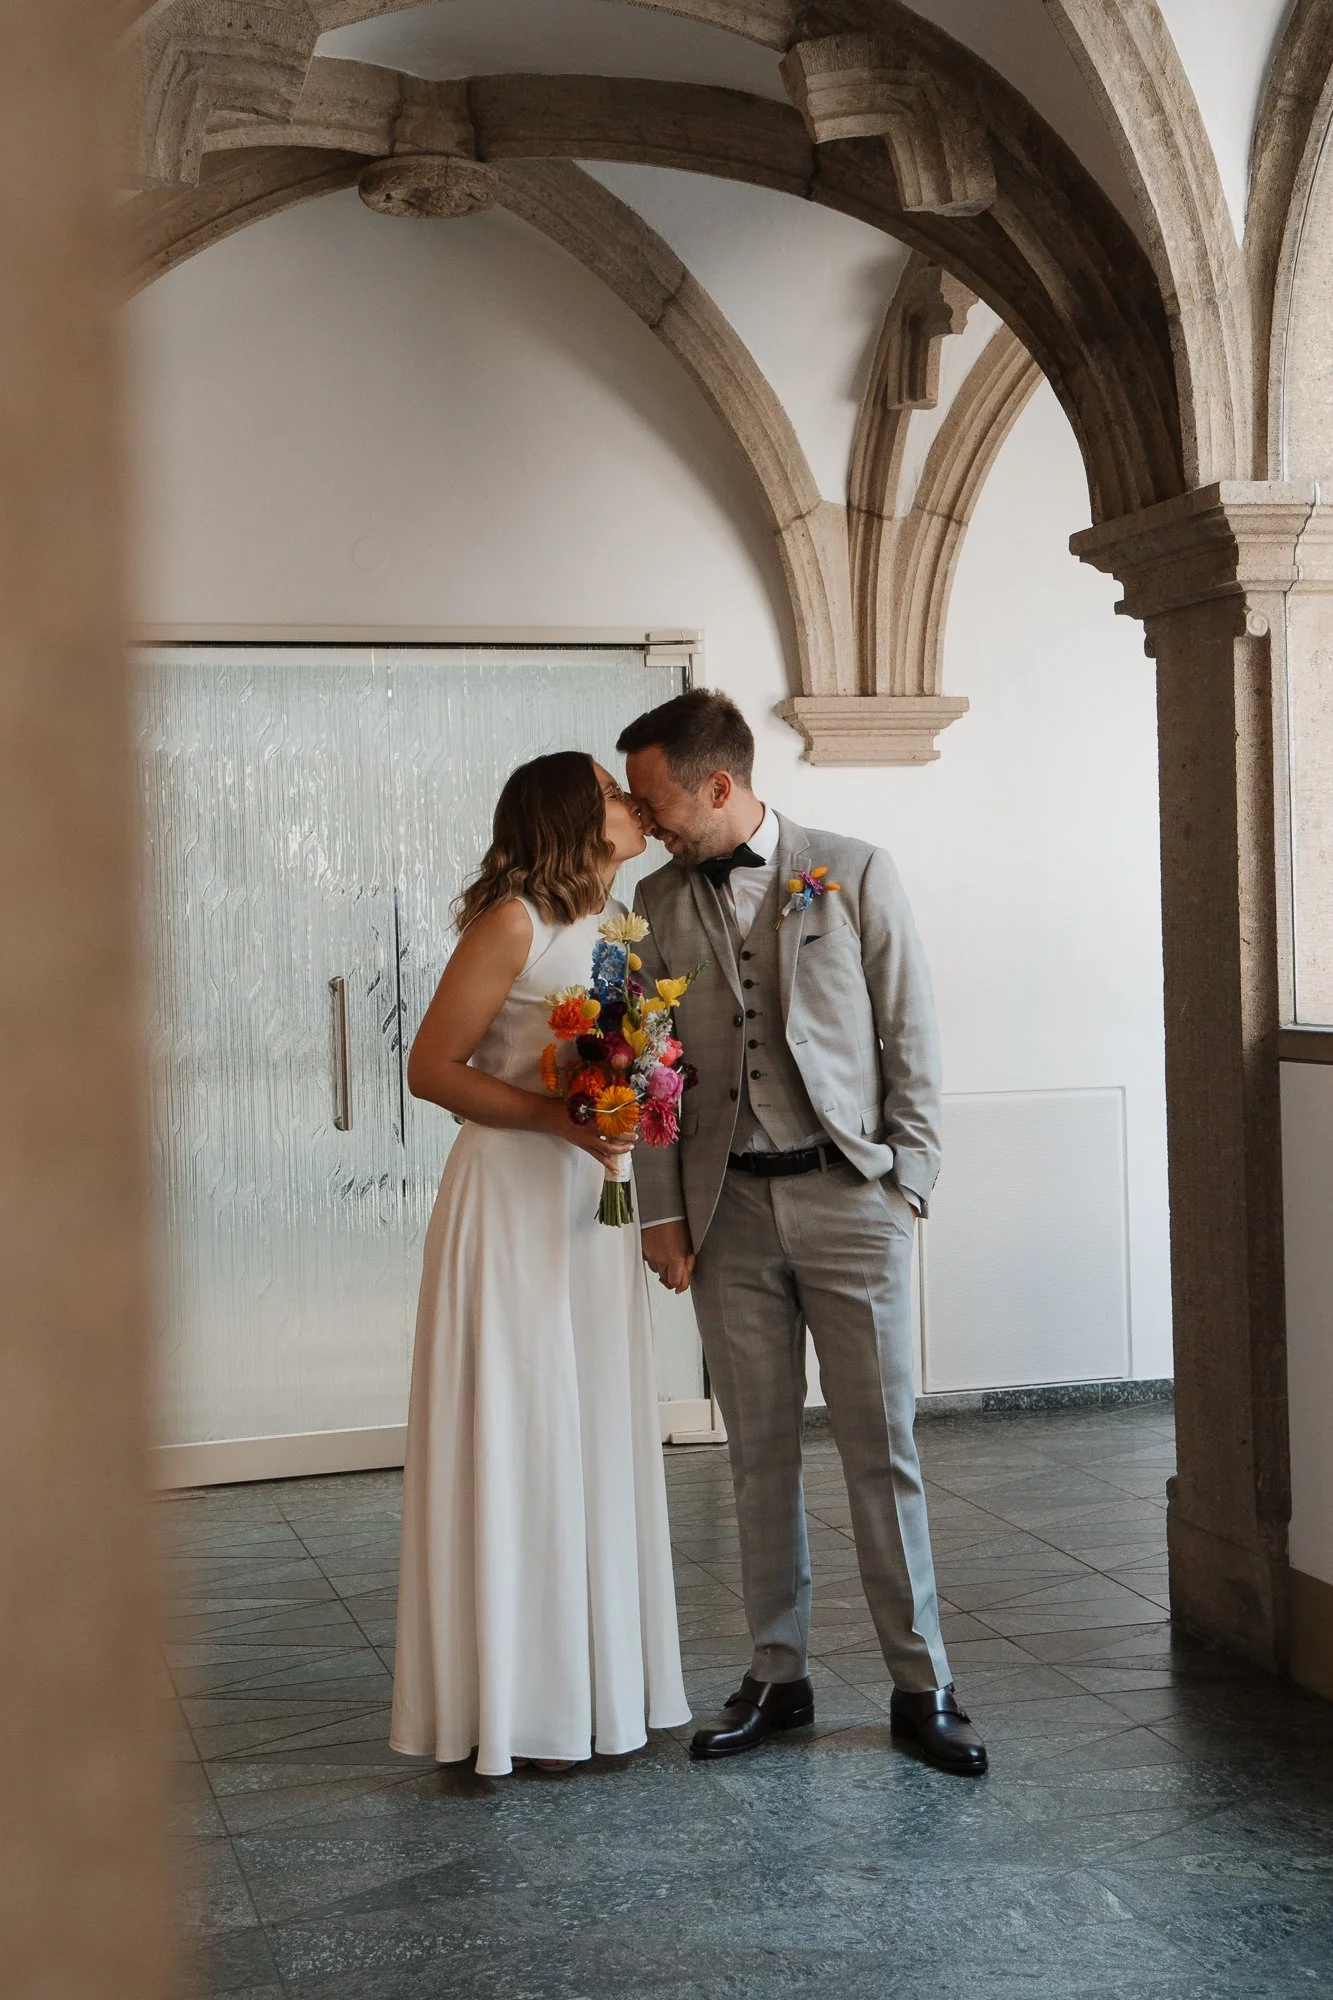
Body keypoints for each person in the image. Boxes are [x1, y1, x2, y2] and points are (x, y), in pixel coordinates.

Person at [619, 690, 987, 1777]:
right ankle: (776, 1674)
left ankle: (923, 1684)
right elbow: (649, 1076)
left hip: (849, 1198)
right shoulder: (645, 904)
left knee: (883, 1452)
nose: (647, 822)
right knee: (757, 1458)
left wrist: (906, 1182)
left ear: (718, 784)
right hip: (726, 1214)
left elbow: (908, 1026)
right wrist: (663, 1212)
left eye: (655, 799)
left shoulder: (854, 868)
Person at [389, 750, 691, 1776]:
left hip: (587, 1200)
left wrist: (631, 1108)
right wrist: (558, 1116)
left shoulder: (616, 925)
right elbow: (432, 1065)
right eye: (613, 791)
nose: (632, 803)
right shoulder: (513, 918)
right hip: (512, 1199)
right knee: (522, 1427)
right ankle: (516, 1701)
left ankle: (600, 1689)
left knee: (591, 1422)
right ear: (574, 813)